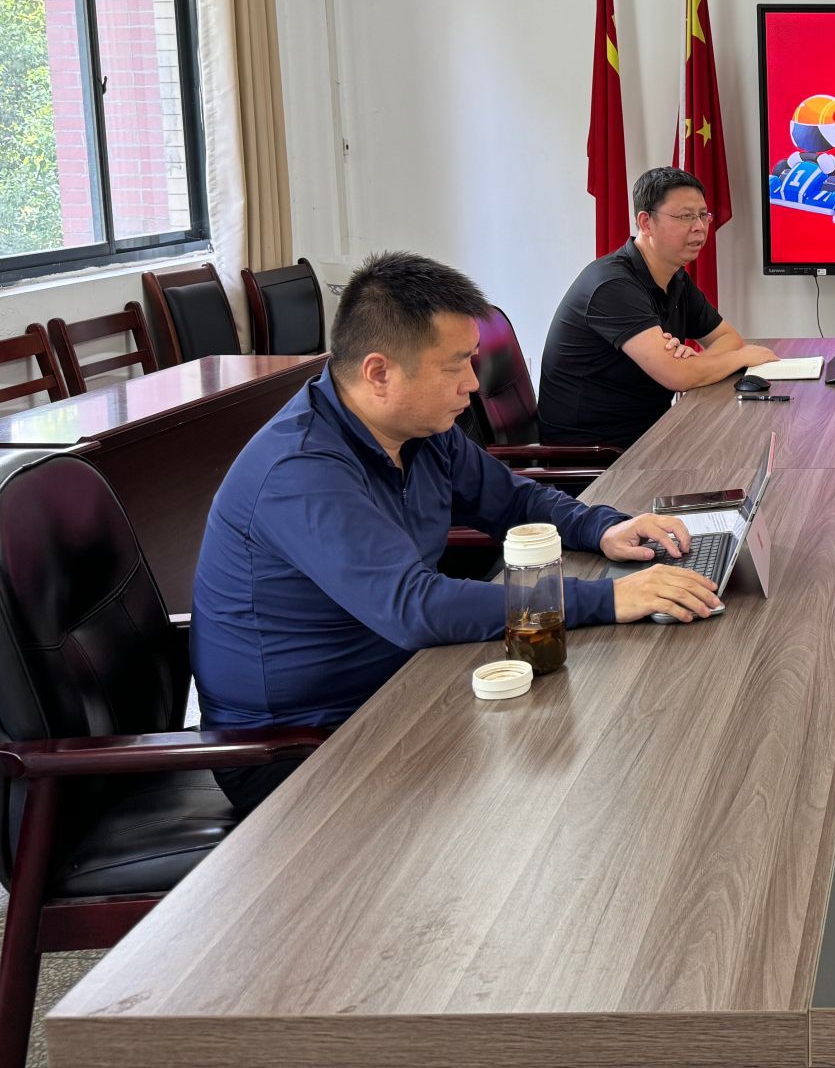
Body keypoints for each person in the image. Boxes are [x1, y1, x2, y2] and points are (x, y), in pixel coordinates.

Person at [192, 252, 721, 813]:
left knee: (605, 740)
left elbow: (512, 499)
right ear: (379, 373)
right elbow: (415, 607)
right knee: (562, 790)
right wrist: (609, 598)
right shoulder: (300, 471)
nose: (472, 383)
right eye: (454, 367)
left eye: (472, 360)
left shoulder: (418, 429)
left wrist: (605, 526)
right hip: (298, 751)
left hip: (405, 686)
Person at [539, 166, 778, 450]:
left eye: (703, 215)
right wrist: (739, 358)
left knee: (754, 443)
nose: (699, 227)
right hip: (596, 453)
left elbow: (727, 338)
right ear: (646, 222)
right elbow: (678, 376)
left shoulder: (674, 277)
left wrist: (694, 364)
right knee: (744, 451)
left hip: (650, 434)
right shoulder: (612, 285)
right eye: (685, 216)